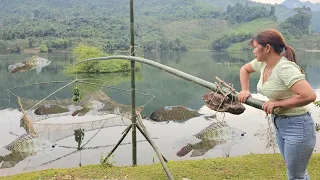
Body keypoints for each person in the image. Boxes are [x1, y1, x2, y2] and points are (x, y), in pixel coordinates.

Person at [238, 29, 317, 180]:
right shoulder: (263, 64)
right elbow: (244, 69)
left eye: (255, 47)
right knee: (297, 173)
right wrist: (245, 90)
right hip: (280, 124)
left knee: (296, 176)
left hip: (298, 126)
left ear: (267, 48)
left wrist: (279, 103)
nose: (253, 51)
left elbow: (309, 95)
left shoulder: (285, 68)